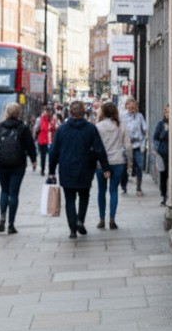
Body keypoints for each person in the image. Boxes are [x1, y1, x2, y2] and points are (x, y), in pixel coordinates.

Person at [48, 99, 110, 239]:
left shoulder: (62, 129)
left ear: (70, 112)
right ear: (83, 112)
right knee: (84, 196)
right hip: (85, 168)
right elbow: (100, 149)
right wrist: (105, 168)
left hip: (67, 168)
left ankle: (72, 229)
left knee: (69, 199)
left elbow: (54, 152)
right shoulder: (90, 128)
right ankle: (80, 221)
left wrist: (51, 171)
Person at [0, 102, 36, 235]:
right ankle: (11, 225)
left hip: (1, 164)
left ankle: (2, 215)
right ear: (18, 112)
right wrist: (34, 160)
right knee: (14, 194)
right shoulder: (23, 128)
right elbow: (30, 145)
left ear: (7, 112)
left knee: (4, 191)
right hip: (18, 164)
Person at [94, 100, 132, 230]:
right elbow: (128, 146)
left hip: (101, 163)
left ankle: (101, 219)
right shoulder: (121, 127)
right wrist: (130, 163)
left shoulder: (98, 127)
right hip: (118, 161)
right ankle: (112, 219)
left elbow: (95, 147)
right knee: (114, 190)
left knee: (101, 191)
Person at [123, 97, 147, 196]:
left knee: (139, 166)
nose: (131, 108)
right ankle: (123, 187)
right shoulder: (123, 117)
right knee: (124, 167)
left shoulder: (139, 116)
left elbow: (144, 130)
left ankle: (138, 188)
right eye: (129, 105)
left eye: (133, 106)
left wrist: (143, 144)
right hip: (126, 145)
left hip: (137, 144)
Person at [152, 104, 169, 205]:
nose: (167, 114)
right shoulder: (161, 124)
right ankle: (164, 196)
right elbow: (155, 138)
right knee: (163, 175)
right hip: (162, 154)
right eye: (166, 112)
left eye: (169, 111)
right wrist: (155, 149)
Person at [36, 106, 56, 175]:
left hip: (44, 139)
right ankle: (46, 170)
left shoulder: (41, 119)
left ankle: (43, 170)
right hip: (48, 139)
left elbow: (37, 128)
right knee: (48, 156)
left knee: (44, 156)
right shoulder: (52, 119)